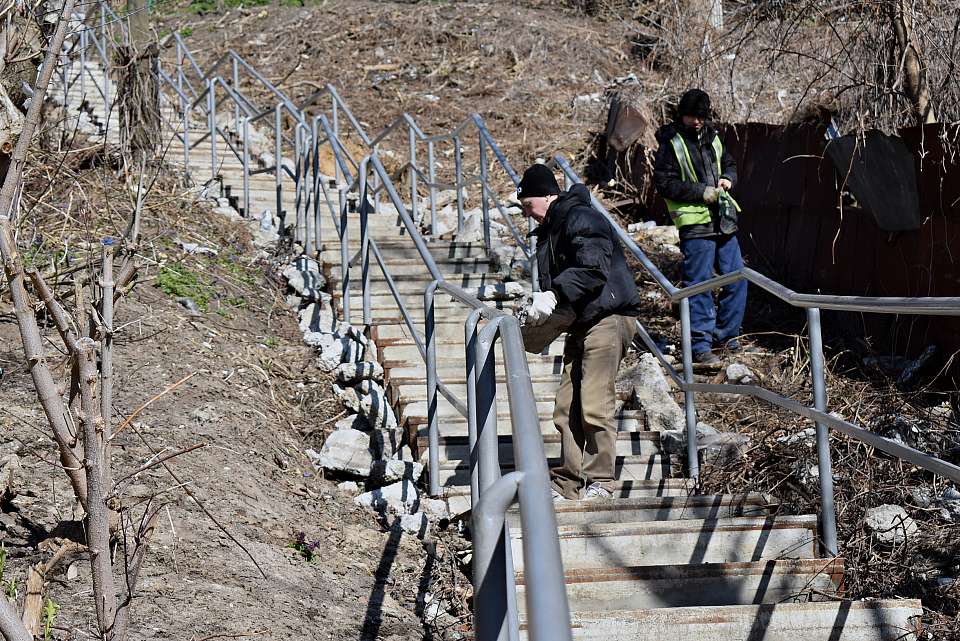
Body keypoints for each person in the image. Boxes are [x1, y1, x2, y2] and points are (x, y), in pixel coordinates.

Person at [517, 163, 642, 501]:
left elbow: (593, 268)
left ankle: (601, 480)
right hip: (582, 321)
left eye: (528, 205)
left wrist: (554, 293)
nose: (527, 214)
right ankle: (567, 483)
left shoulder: (581, 218)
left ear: (547, 196)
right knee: (566, 405)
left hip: (609, 316)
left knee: (594, 401)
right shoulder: (552, 229)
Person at [653, 88, 747, 365]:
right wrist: (701, 192)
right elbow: (665, 183)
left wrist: (728, 178)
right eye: (691, 116)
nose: (696, 121)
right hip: (695, 224)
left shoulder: (714, 137)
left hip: (723, 219)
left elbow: (729, 163)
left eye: (700, 117)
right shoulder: (671, 143)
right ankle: (700, 345)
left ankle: (727, 338)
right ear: (681, 114)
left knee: (737, 279)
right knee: (699, 286)